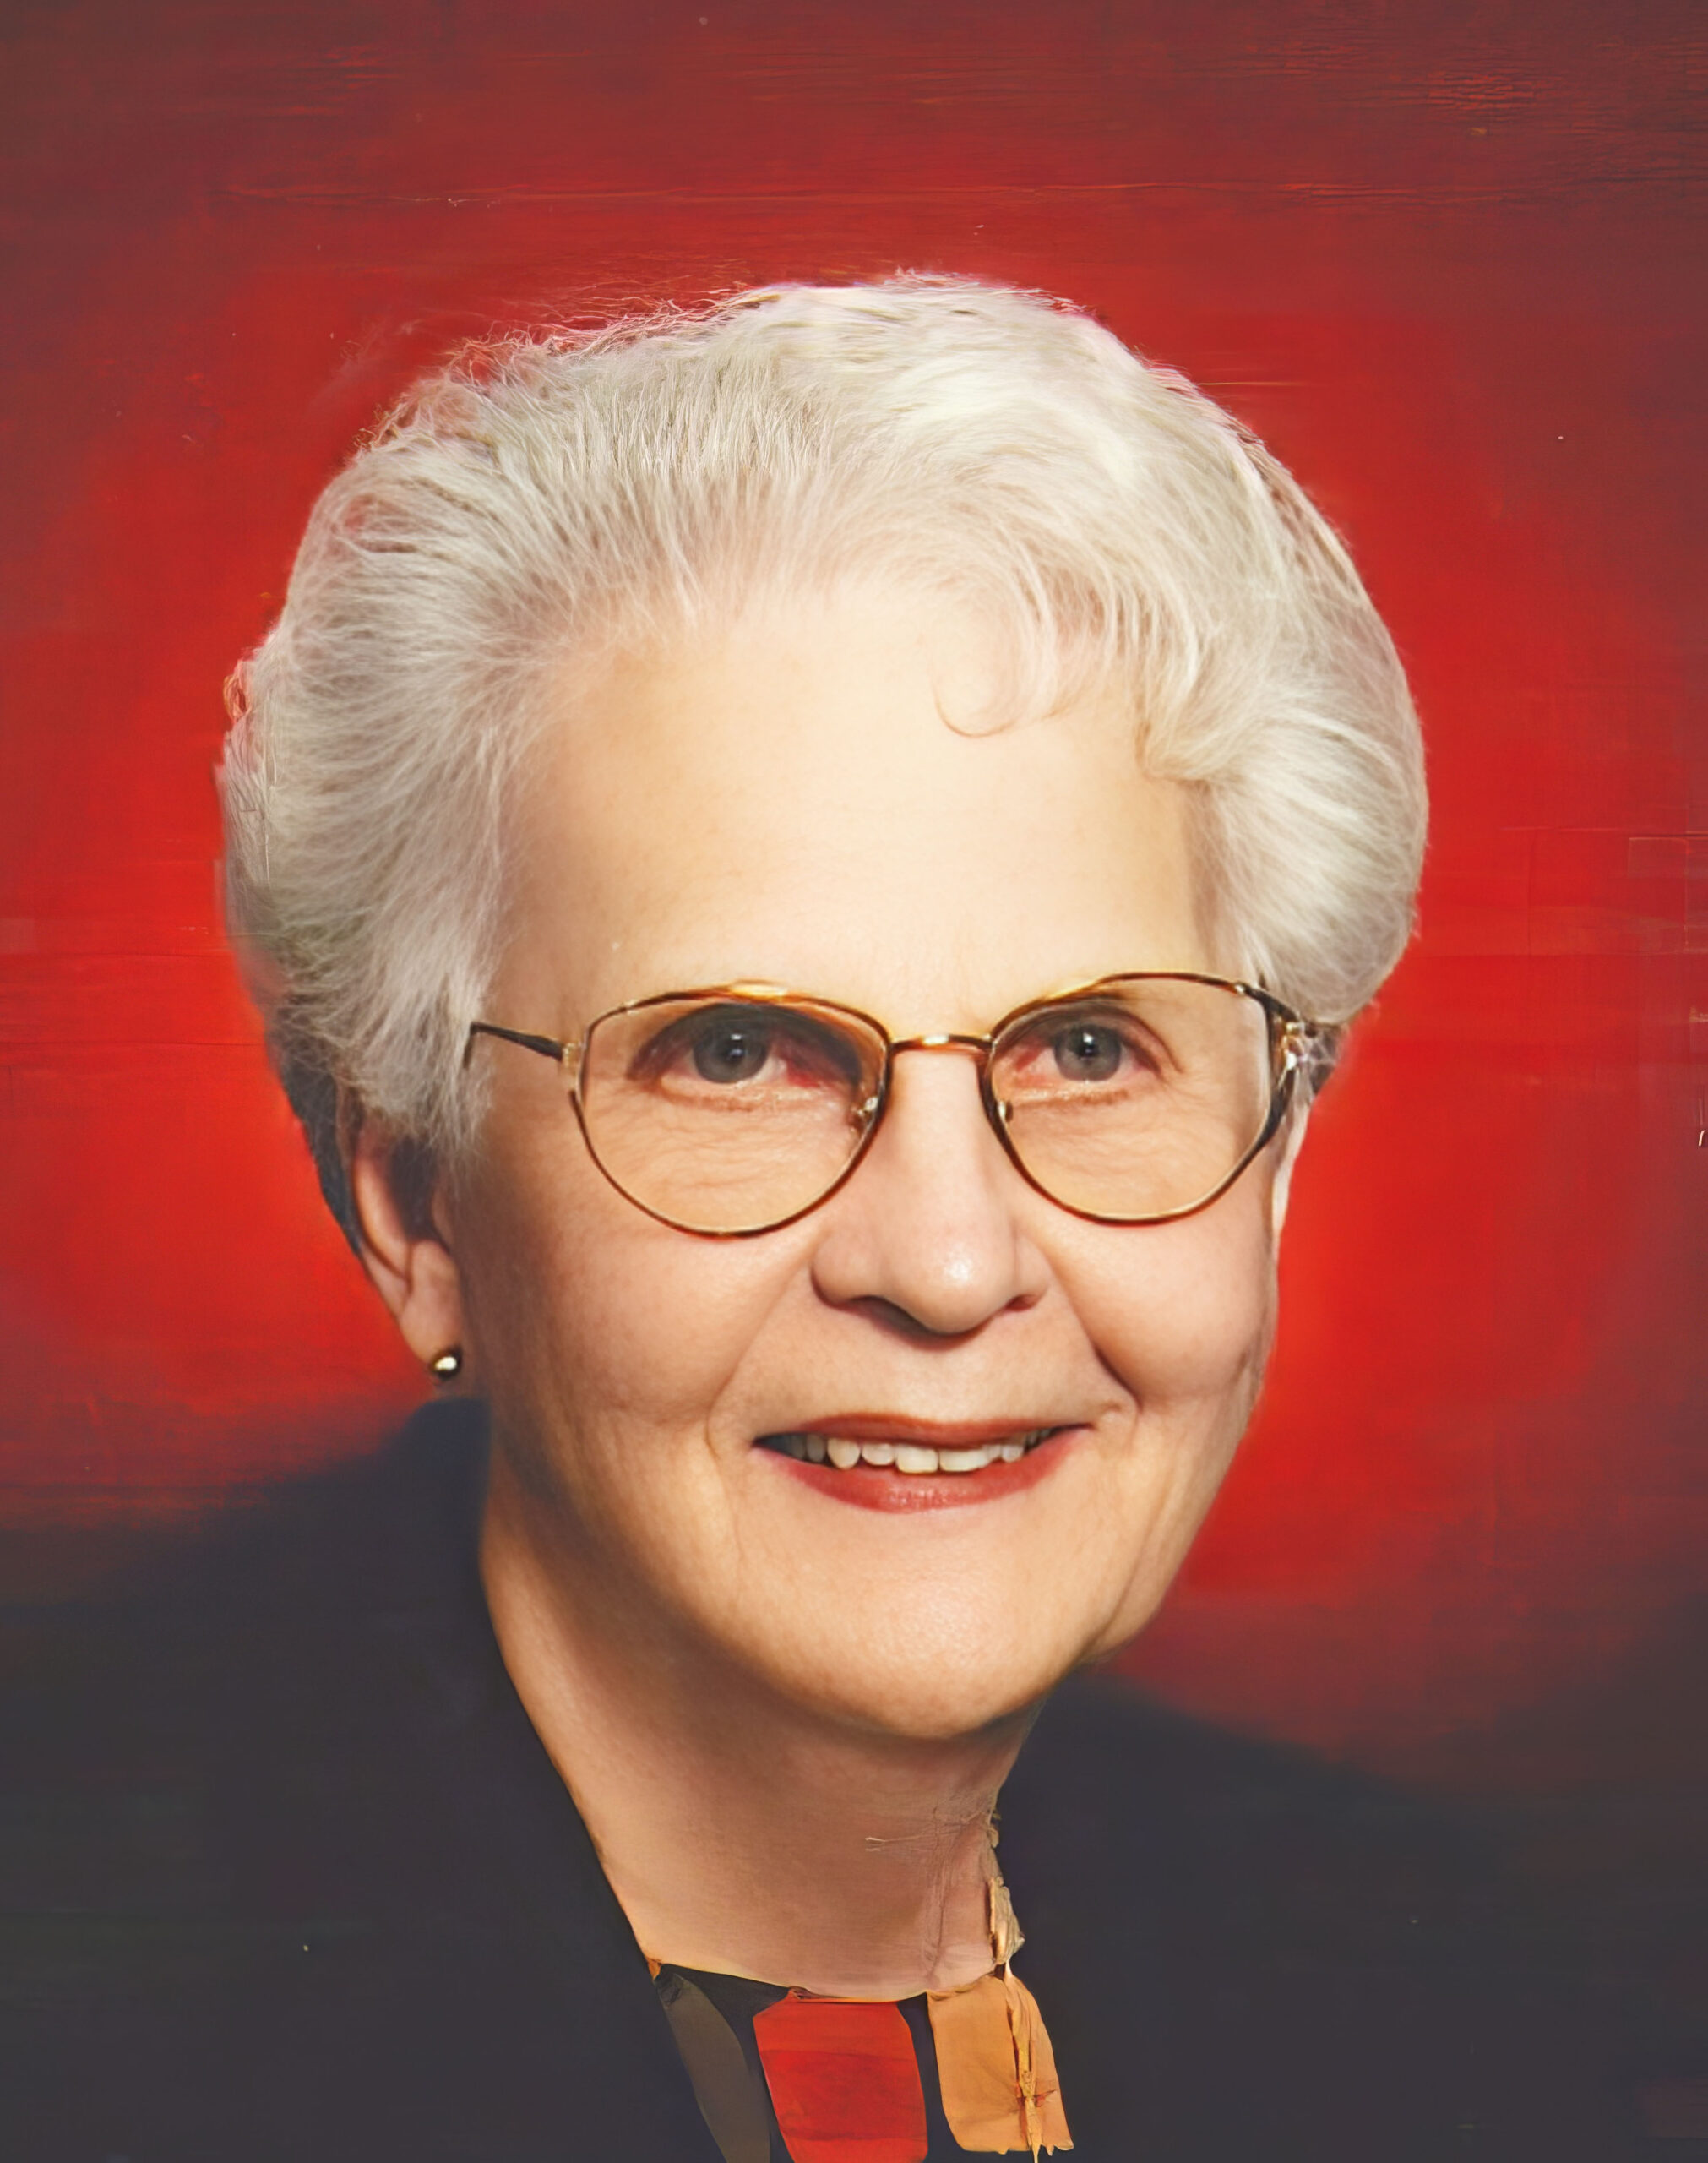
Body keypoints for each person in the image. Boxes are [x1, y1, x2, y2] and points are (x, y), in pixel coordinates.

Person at [3, 279, 1634, 2160]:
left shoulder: (1466, 2002)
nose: (945, 1262)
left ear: (1272, 1164)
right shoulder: (71, 2018)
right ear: (415, 1200)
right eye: (735, 1054)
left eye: (1088, 1047)